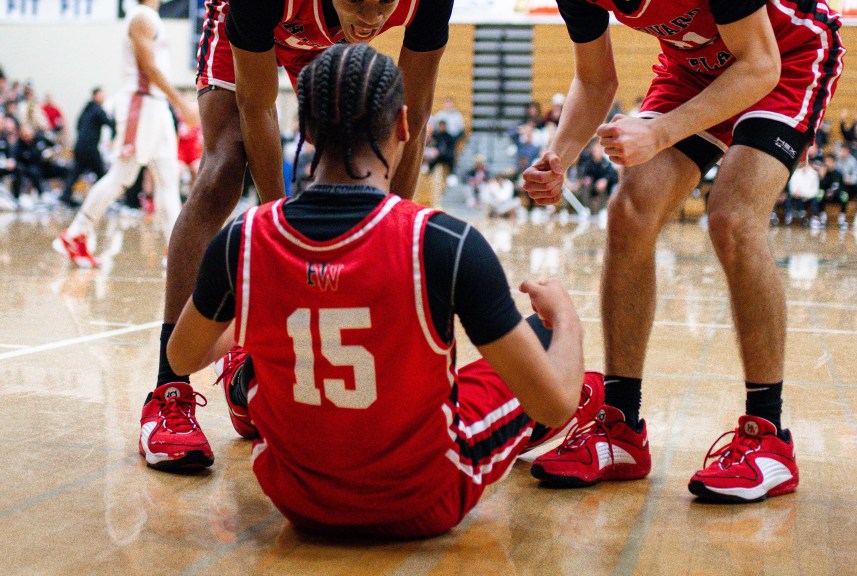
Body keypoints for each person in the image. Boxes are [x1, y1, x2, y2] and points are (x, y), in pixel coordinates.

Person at [497, 0, 843, 501]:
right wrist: (559, 158)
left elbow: (759, 65)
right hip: (697, 67)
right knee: (631, 209)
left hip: (785, 56)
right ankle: (619, 430)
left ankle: (768, 437)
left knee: (733, 216)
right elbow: (596, 80)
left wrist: (658, 130)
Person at [164, 45, 601, 534]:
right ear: (403, 127)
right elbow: (552, 404)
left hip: (296, 498)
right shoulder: (443, 241)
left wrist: (261, 326)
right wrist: (566, 319)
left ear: (305, 131)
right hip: (423, 499)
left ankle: (250, 398)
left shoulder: (241, 238)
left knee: (257, 362)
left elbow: (181, 358)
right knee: (548, 355)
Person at [146, 0, 456, 471]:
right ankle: (169, 395)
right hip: (267, 16)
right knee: (223, 169)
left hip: (325, 40)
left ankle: (249, 358)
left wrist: (391, 240)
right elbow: (261, 110)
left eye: (387, 2)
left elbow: (410, 116)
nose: (371, 19)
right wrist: (279, 241)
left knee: (352, 165)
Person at [55, 0, 197, 268]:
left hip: (156, 105)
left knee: (168, 178)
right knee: (123, 174)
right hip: (141, 104)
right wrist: (182, 103)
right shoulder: (141, 18)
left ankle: (176, 248)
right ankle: (76, 232)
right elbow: (148, 67)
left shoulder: (150, 17)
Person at [59, 88, 115, 207]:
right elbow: (110, 123)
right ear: (95, 96)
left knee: (75, 172)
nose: (104, 98)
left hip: (79, 146)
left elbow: (78, 125)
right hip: (90, 148)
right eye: (102, 95)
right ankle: (102, 200)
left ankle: (65, 196)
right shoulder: (97, 109)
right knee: (101, 174)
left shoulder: (85, 109)